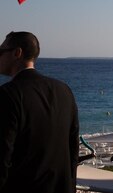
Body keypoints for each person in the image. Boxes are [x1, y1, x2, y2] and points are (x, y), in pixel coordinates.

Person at [0, 31, 79, 193]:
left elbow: (2, 156)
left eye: (1, 52)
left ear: (17, 53)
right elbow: (72, 149)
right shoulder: (64, 91)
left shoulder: (8, 94)